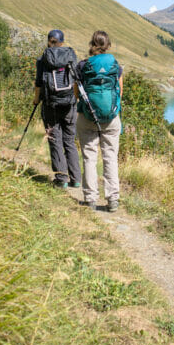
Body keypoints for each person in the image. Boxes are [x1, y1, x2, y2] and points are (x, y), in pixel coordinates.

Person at [75, 30, 123, 212]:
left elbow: (77, 93)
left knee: (89, 156)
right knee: (110, 157)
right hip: (111, 118)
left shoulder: (82, 66)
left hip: (87, 117)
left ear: (91, 45)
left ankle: (90, 198)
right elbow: (119, 92)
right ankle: (113, 200)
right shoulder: (115, 66)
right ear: (108, 46)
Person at [33, 29, 80, 189]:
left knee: (55, 138)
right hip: (69, 105)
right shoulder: (70, 56)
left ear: (49, 41)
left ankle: (62, 178)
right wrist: (75, 100)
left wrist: (36, 100)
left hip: (50, 104)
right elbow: (76, 79)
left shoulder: (43, 59)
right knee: (69, 140)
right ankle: (76, 179)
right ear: (62, 42)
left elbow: (39, 83)